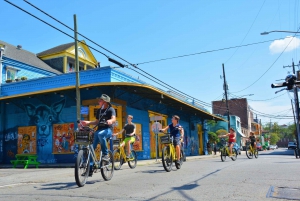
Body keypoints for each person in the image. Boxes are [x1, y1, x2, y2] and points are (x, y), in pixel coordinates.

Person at [79, 94, 116, 176]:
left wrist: (110, 121)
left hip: (108, 130)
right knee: (92, 148)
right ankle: (90, 169)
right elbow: (96, 122)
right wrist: (88, 122)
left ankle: (106, 155)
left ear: (105, 102)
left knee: (100, 134)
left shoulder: (111, 109)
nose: (99, 101)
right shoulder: (99, 111)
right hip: (99, 130)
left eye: (100, 100)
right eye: (99, 100)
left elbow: (114, 118)